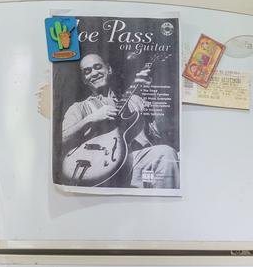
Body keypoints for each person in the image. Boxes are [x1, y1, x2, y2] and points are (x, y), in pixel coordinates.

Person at [60, 52, 179, 188]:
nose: (94, 73)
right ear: (84, 80)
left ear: (109, 69)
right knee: (165, 154)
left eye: (98, 67)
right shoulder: (78, 108)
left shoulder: (133, 100)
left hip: (134, 163)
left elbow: (160, 131)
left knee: (166, 155)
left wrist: (149, 91)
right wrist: (91, 118)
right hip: (95, 166)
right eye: (87, 71)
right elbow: (63, 139)